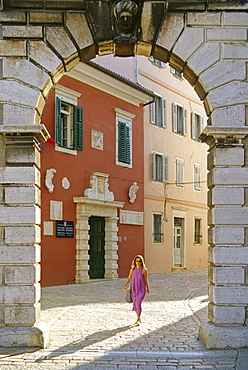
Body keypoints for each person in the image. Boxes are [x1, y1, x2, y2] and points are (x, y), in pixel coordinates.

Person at [123, 255, 150, 325]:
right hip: (134, 288)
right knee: (135, 303)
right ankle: (138, 317)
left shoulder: (144, 270)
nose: (138, 262)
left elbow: (146, 280)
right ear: (134, 262)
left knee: (138, 303)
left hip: (142, 289)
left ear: (142, 262)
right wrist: (125, 285)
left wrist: (147, 288)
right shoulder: (133, 270)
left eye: (139, 261)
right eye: (137, 261)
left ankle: (138, 317)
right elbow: (129, 278)